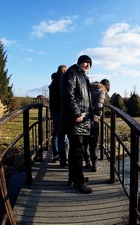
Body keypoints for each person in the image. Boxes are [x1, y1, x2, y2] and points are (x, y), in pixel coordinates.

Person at [60, 55, 93, 194]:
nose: (88, 66)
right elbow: (68, 94)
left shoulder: (83, 77)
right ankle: (78, 182)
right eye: (86, 63)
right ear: (80, 62)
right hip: (76, 120)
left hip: (82, 120)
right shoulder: (73, 73)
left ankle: (74, 177)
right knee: (77, 152)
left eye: (90, 64)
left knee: (76, 151)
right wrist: (77, 114)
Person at [84, 79, 110, 172]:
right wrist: (97, 116)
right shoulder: (101, 91)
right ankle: (95, 164)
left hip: (84, 119)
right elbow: (99, 106)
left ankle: (87, 162)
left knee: (85, 143)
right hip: (94, 120)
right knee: (93, 144)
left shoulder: (88, 91)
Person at [48, 65, 69, 167]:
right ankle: (63, 158)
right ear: (64, 71)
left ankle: (56, 154)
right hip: (60, 112)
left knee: (56, 133)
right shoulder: (61, 81)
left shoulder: (53, 81)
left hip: (54, 111)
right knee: (62, 135)